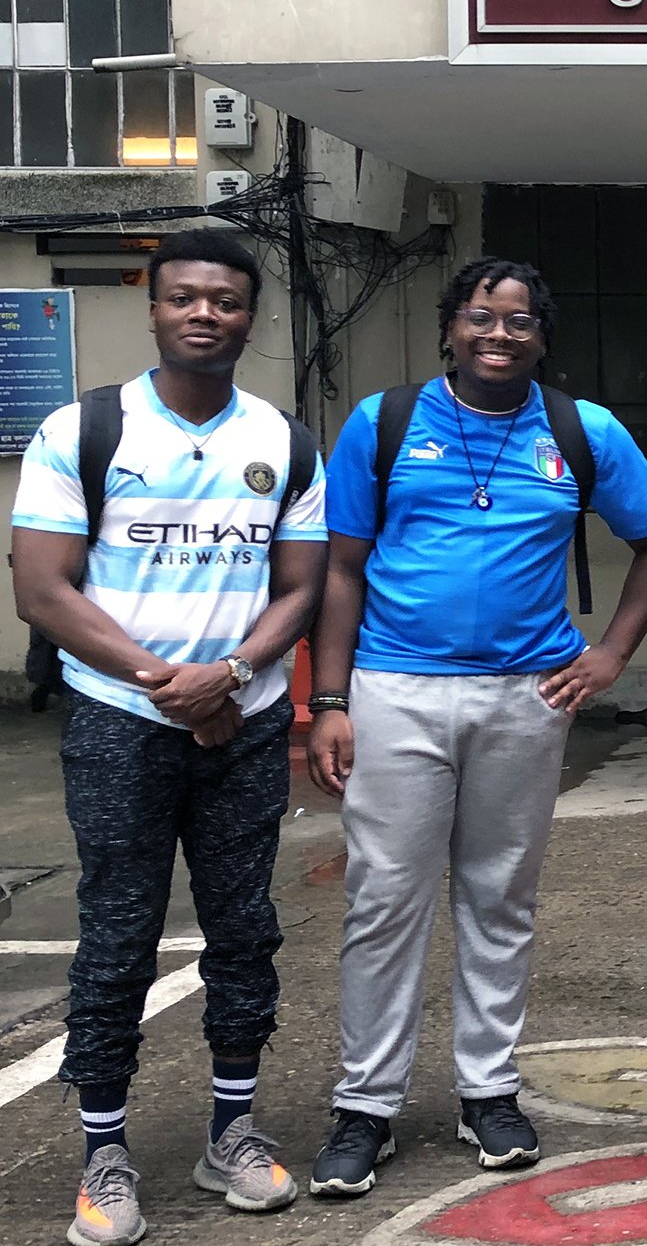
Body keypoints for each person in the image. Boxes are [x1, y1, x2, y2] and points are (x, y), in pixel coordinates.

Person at [305, 258, 647, 1196]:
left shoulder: (580, 430)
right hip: (397, 688)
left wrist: (611, 655)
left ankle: (488, 1090)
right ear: (451, 327)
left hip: (529, 695)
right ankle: (366, 1105)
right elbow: (340, 568)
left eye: (518, 322)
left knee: (499, 895)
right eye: (481, 317)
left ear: (542, 337)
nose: (498, 334)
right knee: (385, 898)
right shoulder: (384, 424)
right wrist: (331, 699)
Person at [11, 230, 328, 1245]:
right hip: (119, 724)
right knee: (118, 936)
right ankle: (103, 1154)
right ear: (153, 306)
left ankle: (231, 1132)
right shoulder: (86, 429)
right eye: (186, 297)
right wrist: (173, 683)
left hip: (243, 720)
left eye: (226, 301)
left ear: (248, 317)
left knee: (244, 931)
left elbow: (302, 585)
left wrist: (231, 675)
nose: (205, 314)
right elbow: (42, 587)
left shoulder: (283, 440)